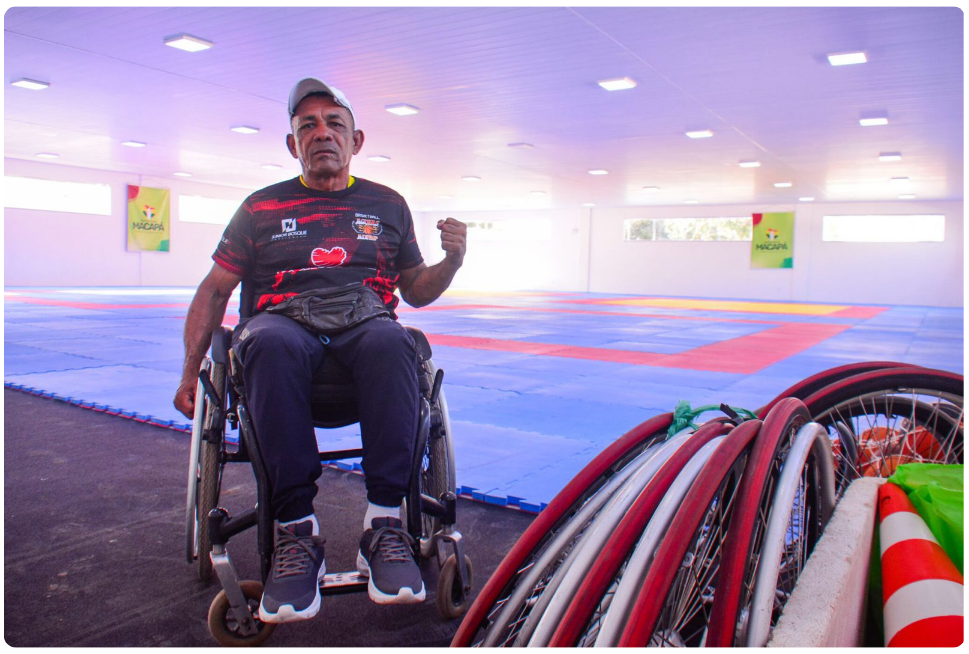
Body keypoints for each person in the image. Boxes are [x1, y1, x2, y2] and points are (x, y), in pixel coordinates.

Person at [174, 78, 467, 623]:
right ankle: (295, 534)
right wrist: (191, 375)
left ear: (356, 139)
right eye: (307, 125)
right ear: (292, 145)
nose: (321, 133)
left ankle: (384, 527)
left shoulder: (388, 204)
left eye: (334, 123)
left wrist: (451, 263)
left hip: (366, 326)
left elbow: (416, 292)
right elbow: (215, 289)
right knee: (264, 343)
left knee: (396, 342)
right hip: (282, 328)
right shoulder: (260, 208)